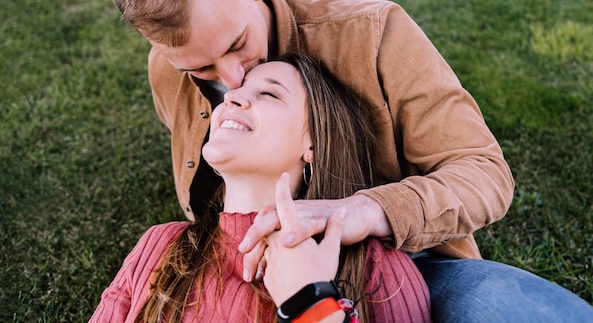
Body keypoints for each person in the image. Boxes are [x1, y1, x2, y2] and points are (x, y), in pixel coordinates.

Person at [107, 0, 593, 322]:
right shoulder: (166, 72)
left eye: (236, 45)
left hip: (394, 258)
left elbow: (484, 174)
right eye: (201, 68)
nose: (231, 82)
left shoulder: (373, 35)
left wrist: (360, 212)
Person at [89, 54, 432, 322]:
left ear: (313, 142)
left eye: (268, 93)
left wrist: (311, 305)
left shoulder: (375, 266)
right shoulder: (161, 245)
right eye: (232, 93)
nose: (233, 97)